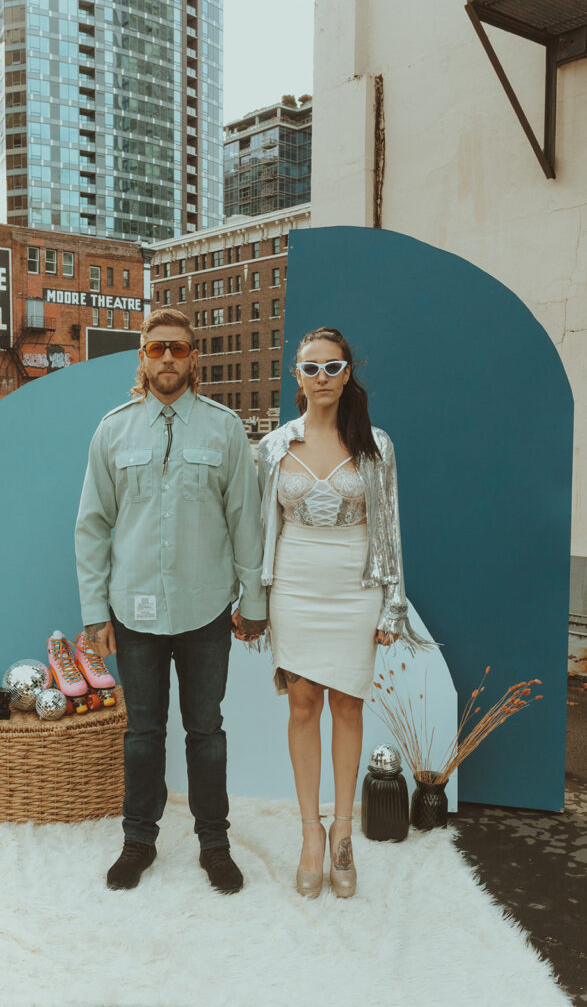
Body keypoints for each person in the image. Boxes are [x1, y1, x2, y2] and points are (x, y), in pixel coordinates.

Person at [75, 308, 267, 894]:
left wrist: (253, 600)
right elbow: (92, 524)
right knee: (142, 732)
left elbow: (245, 521)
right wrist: (94, 613)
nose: (166, 359)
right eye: (156, 349)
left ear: (193, 358)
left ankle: (215, 844)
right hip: (133, 612)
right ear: (142, 356)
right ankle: (138, 842)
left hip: (206, 609)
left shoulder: (224, 429)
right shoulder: (113, 429)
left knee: (206, 731)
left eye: (177, 349)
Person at [257, 327, 435, 899]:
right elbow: (264, 528)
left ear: (348, 372)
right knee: (303, 705)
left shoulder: (376, 444)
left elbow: (390, 531)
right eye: (311, 369)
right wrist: (255, 600)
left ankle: (342, 831)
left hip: (356, 586)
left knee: (349, 706)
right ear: (296, 377)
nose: (323, 378)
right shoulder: (274, 447)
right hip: (295, 582)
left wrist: (392, 602)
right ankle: (310, 833)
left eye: (333, 367)